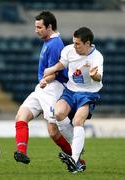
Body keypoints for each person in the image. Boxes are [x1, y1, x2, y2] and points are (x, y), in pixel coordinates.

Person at [14, 11, 74, 165]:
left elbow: (56, 72)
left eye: (39, 27)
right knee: (21, 116)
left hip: (53, 88)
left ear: (49, 27)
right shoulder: (48, 42)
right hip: (42, 88)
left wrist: (45, 80)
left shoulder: (55, 44)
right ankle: (21, 152)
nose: (36, 30)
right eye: (36, 27)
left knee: (53, 132)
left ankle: (77, 157)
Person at [44, 27, 103, 173]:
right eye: (74, 42)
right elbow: (62, 64)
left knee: (78, 122)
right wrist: (52, 69)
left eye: (78, 44)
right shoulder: (69, 50)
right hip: (71, 90)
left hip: (88, 93)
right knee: (58, 114)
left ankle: (74, 158)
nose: (74, 46)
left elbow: (99, 77)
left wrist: (94, 75)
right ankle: (76, 145)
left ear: (88, 43)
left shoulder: (97, 57)